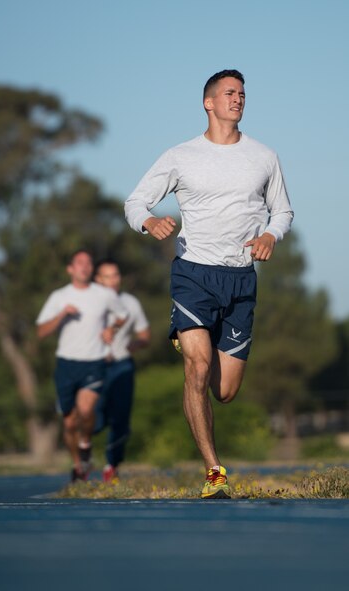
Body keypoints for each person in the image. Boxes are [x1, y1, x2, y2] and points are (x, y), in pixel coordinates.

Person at [125, 69, 294, 499]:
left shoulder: (264, 156)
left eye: (241, 93)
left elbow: (283, 212)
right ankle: (214, 471)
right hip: (193, 274)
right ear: (209, 102)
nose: (237, 98)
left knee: (225, 391)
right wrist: (148, 220)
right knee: (197, 369)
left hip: (240, 279)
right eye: (229, 93)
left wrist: (271, 235)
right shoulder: (181, 156)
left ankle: (191, 341)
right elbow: (135, 201)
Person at [36, 249, 127, 482]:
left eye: (88, 263)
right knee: (68, 422)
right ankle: (79, 466)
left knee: (86, 410)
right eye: (79, 263)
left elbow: (122, 315)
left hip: (94, 361)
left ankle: (85, 442)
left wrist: (111, 329)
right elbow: (41, 331)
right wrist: (62, 316)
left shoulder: (103, 294)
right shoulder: (59, 296)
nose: (84, 267)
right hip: (66, 363)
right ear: (70, 269)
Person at [93, 259, 150, 482]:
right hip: (94, 366)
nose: (113, 280)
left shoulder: (130, 303)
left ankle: (112, 466)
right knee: (94, 419)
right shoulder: (88, 301)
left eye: (116, 275)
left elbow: (145, 335)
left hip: (122, 364)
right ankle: (82, 459)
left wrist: (135, 344)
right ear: (98, 279)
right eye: (107, 276)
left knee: (121, 420)